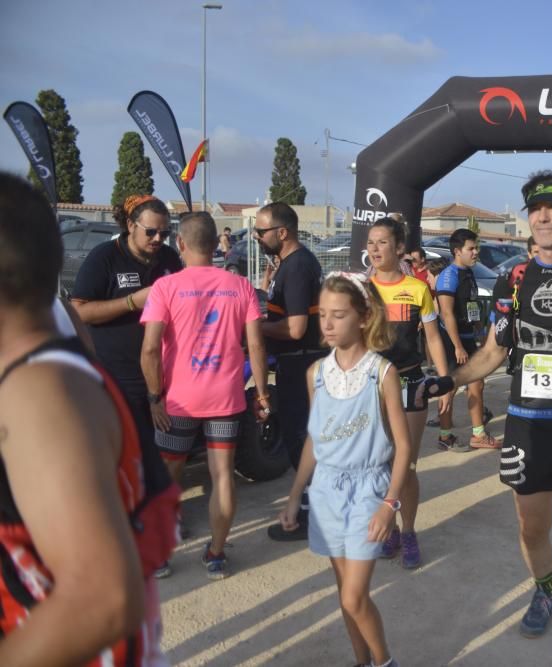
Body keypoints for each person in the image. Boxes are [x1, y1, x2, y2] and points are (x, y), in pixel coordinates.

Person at [418, 170, 552, 667]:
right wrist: (448, 380)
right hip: (526, 425)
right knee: (532, 532)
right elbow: (495, 351)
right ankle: (543, 588)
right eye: (534, 208)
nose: (541, 215)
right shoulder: (514, 278)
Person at [0, 172, 166, 666]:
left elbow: (103, 598)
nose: (159, 241)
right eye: (151, 231)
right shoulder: (40, 378)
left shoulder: (36, 395)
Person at [278, 273, 409, 667]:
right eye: (324, 316)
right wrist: (294, 494)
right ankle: (361, 661)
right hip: (325, 492)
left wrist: (390, 504)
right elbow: (315, 441)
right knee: (345, 595)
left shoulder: (382, 373)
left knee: (354, 595)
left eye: (339, 315)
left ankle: (385, 662)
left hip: (369, 490)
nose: (329, 325)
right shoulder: (316, 373)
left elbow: (403, 447)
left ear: (364, 317)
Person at [140, 212, 271, 578]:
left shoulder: (165, 288)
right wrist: (261, 393)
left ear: (179, 244)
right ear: (216, 245)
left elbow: (150, 349)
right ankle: (215, 555)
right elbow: (256, 345)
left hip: (177, 402)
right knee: (223, 476)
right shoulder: (241, 286)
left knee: (168, 477)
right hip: (226, 400)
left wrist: (154, 398)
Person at [70, 194, 184, 481]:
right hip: (117, 375)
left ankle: (159, 515)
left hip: (161, 375)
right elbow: (79, 311)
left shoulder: (169, 259)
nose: (159, 238)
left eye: (165, 232)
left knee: (161, 453)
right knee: (122, 453)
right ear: (131, 225)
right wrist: (132, 302)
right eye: (151, 231)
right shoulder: (104, 258)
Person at [368, 216, 451, 569]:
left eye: (382, 242)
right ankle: (387, 529)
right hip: (370, 387)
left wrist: (446, 382)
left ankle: (409, 531)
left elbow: (432, 337)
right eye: (370, 242)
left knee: (408, 465)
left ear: (399, 248)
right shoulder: (361, 290)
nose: (374, 249)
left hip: (410, 382)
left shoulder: (418, 289)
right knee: (378, 464)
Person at [256, 203, 327, 542]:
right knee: (300, 437)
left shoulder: (298, 267)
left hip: (301, 363)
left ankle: (310, 514)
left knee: (302, 439)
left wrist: (255, 328)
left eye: (261, 232)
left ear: (281, 233)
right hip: (297, 362)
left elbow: (297, 328)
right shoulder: (289, 264)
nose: (256, 237)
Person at [436, 228, 499, 450]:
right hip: (451, 342)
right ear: (457, 251)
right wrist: (457, 346)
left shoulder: (469, 273)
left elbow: (471, 305)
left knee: (477, 384)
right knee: (449, 387)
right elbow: (447, 313)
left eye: (476, 248)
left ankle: (478, 434)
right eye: (471, 249)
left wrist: (479, 328)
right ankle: (445, 436)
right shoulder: (448, 276)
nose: (476, 252)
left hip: (469, 337)